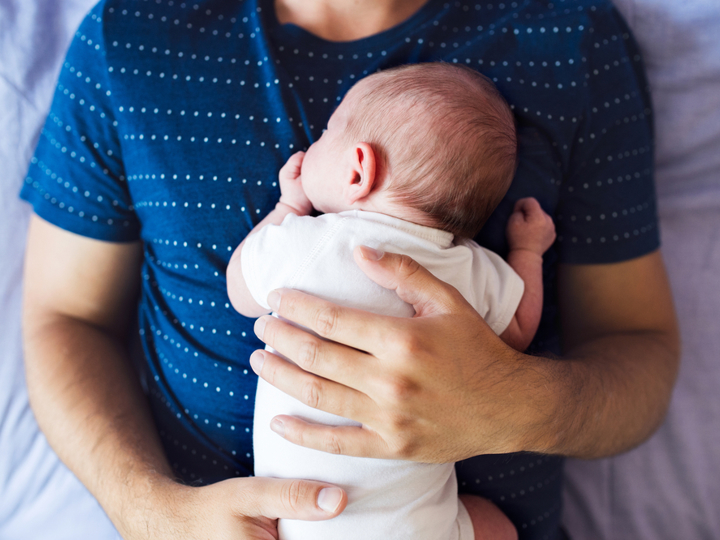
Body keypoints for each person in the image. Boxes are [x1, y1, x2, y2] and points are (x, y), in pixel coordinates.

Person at [19, 0, 678, 539]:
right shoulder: (130, 36)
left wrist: (512, 407)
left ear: (357, 167)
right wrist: (152, 514)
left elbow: (639, 350)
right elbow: (64, 318)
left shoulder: (569, 32)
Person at [228, 63, 555, 540]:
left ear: (359, 169)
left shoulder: (309, 242)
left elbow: (240, 293)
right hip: (421, 527)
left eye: (326, 134)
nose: (313, 145)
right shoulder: (469, 268)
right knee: (497, 525)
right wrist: (528, 252)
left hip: (305, 519)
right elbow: (520, 330)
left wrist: (287, 209)